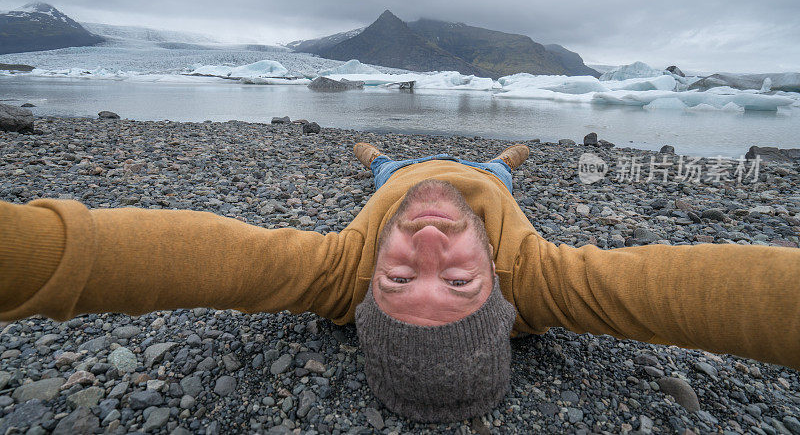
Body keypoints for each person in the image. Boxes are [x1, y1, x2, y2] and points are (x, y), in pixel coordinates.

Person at [1, 141, 799, 423]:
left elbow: (173, 255)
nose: (425, 239)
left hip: (403, 172)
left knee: (384, 168)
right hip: (485, 179)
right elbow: (707, 293)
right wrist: (491, 183)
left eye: (396, 276)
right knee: (497, 169)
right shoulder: (542, 281)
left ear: (361, 293)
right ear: (500, 294)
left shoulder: (334, 273)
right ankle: (513, 157)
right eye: (456, 281)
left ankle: (369, 154)